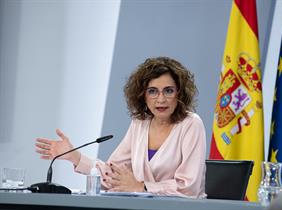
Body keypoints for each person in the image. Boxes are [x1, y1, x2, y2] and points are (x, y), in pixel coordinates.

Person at [35, 56, 207, 198]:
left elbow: (188, 187)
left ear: (180, 93)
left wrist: (142, 187)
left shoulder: (191, 124)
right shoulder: (140, 123)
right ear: (142, 95)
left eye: (168, 91)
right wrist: (75, 157)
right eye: (153, 91)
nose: (161, 99)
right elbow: (113, 174)